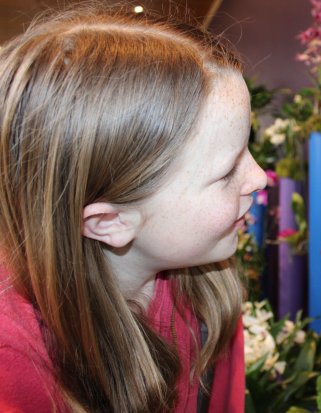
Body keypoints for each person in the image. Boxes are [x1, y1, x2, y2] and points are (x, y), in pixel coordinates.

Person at [0, 6, 267, 413]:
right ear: (109, 222)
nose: (261, 177)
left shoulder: (208, 293)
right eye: (227, 170)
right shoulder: (15, 365)